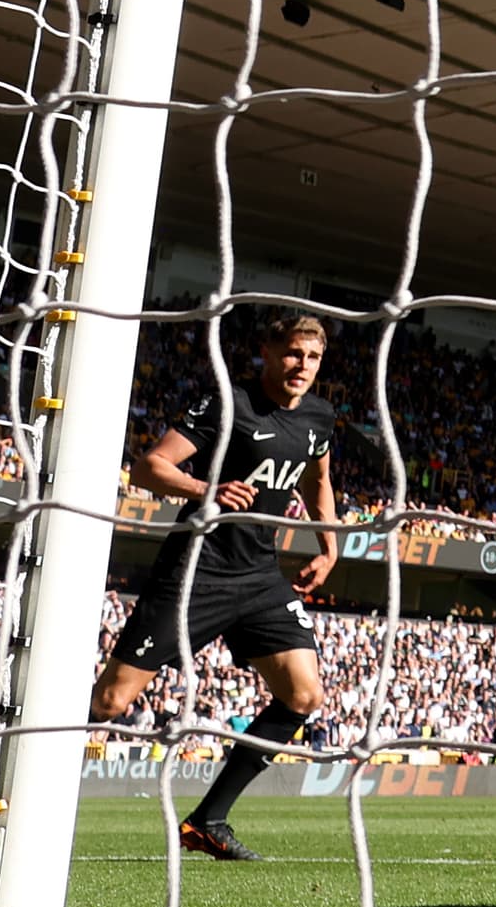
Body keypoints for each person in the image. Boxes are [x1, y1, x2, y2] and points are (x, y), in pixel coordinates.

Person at [88, 311, 345, 862]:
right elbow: (148, 467)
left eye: (314, 358)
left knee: (304, 694)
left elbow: (320, 482)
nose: (303, 366)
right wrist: (207, 488)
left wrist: (329, 547)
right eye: (294, 354)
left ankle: (209, 819)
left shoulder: (320, 418)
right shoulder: (230, 404)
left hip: (258, 577)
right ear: (269, 354)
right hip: (195, 573)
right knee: (111, 701)